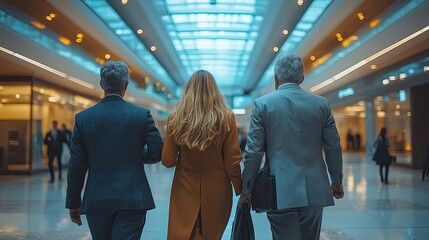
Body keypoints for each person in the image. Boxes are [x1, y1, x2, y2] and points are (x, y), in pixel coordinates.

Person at [240, 54, 344, 240]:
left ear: (276, 79)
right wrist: (336, 180)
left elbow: (254, 152)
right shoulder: (321, 105)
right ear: (301, 78)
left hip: (279, 190)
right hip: (315, 190)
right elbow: (333, 146)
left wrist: (246, 189)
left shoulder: (263, 105)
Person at [65, 61, 163, 240]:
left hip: (97, 199)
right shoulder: (141, 115)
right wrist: (137, 156)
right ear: (125, 85)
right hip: (133, 198)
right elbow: (157, 152)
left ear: (102, 84)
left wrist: (73, 202)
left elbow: (76, 165)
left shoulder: (83, 119)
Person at [162, 70, 242, 240]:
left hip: (184, 186)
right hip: (217, 187)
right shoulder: (226, 119)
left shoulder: (175, 119)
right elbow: (232, 161)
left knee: (185, 234)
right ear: (215, 90)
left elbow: (167, 160)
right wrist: (241, 188)